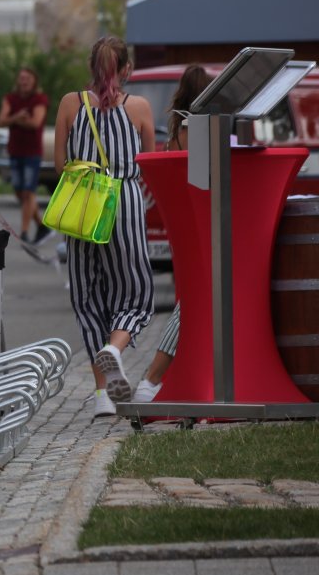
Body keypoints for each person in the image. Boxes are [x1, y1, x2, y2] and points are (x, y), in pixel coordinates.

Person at [52, 36, 155, 418]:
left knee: (88, 296)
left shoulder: (70, 104)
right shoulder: (139, 108)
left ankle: (102, 395)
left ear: (91, 67)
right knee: (135, 294)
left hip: (82, 205)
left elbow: (59, 166)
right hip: (124, 200)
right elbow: (149, 165)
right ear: (127, 69)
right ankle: (115, 347)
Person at [133, 65, 212, 404]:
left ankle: (164, 376)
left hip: (181, 221)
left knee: (194, 297)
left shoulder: (176, 127)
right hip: (201, 218)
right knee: (195, 300)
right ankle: (152, 378)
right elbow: (203, 174)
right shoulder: (199, 126)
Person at [0, 67, 49, 244]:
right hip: (15, 151)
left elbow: (35, 122)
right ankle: (41, 226)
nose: (24, 81)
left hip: (32, 152)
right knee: (19, 192)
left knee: (28, 192)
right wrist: (18, 117)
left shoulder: (40, 99)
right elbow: (1, 120)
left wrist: (14, 119)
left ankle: (25, 232)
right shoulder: (10, 98)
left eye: (28, 78)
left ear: (34, 81)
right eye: (21, 78)